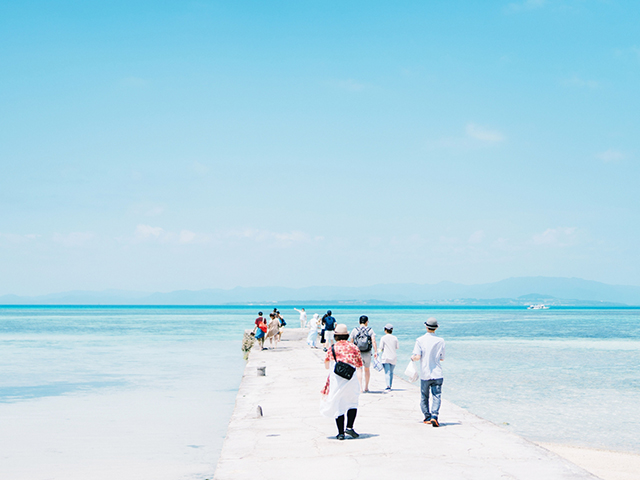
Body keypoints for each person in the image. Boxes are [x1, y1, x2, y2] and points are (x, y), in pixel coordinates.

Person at [320, 324, 363, 440]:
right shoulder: (354, 347)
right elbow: (359, 365)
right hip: (351, 379)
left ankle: (340, 433)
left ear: (336, 336)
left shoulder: (333, 348)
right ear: (347, 335)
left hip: (337, 380)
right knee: (352, 403)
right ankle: (349, 427)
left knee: (339, 405)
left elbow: (326, 365)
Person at [411, 317, 445, 427]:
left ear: (426, 327)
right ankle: (435, 415)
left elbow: (418, 356)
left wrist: (412, 358)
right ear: (436, 328)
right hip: (437, 373)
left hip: (425, 374)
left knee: (424, 396)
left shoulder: (420, 340)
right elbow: (442, 358)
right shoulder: (441, 341)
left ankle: (427, 417)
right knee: (437, 395)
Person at [349, 315, 377, 393]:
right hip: (367, 352)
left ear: (359, 322)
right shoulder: (370, 330)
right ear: (366, 322)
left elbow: (351, 341)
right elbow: (373, 341)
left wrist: (351, 352)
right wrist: (376, 351)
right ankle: (366, 387)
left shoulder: (355, 330)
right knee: (367, 369)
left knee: (359, 369)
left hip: (358, 352)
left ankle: (360, 388)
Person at [379, 323, 399, 391]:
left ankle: (388, 386)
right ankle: (390, 385)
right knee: (391, 372)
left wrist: (377, 353)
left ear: (385, 330)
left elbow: (381, 347)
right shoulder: (395, 338)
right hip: (393, 357)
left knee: (387, 372)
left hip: (386, 357)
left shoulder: (383, 338)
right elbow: (397, 347)